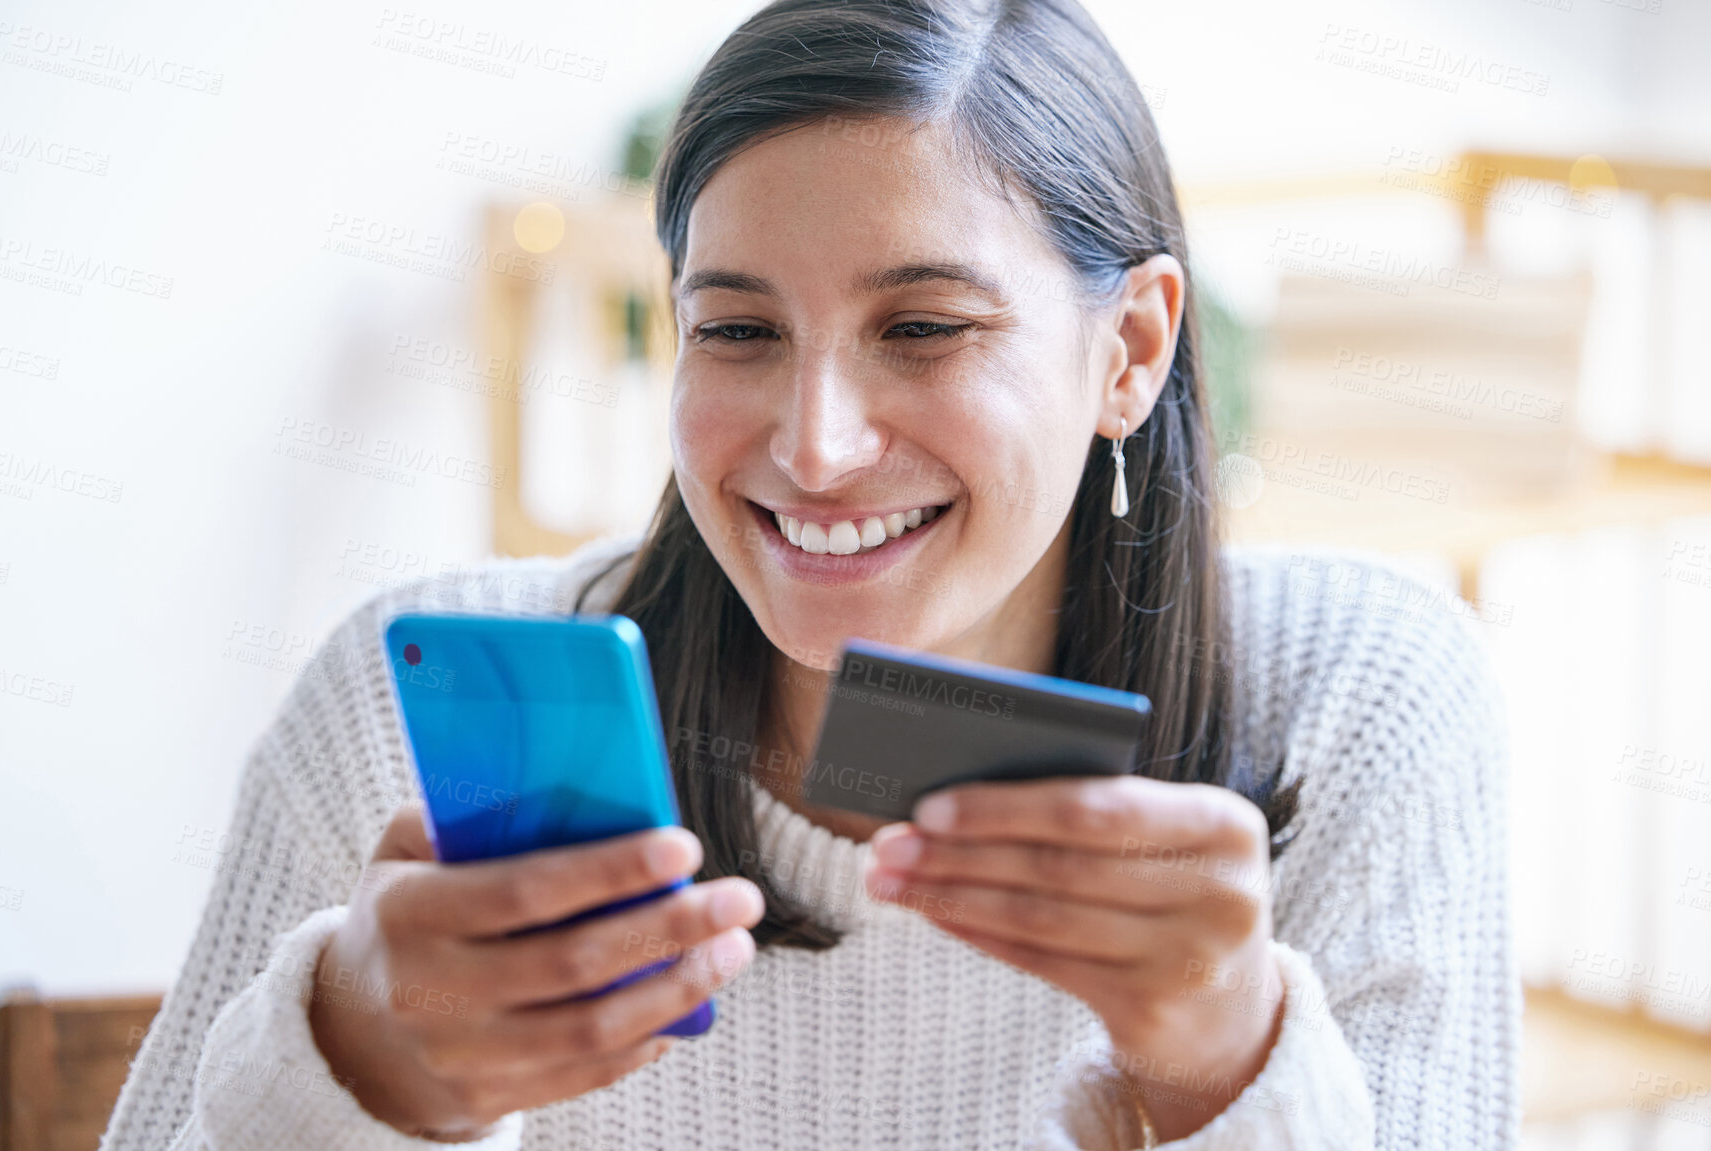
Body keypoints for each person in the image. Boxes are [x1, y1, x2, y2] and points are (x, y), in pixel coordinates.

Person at [101, 0, 1518, 1147]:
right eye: (737, 332)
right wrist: (349, 1077)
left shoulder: (1357, 697)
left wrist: (1230, 1069)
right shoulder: (403, 705)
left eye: (921, 327)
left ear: (1130, 349)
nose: (816, 446)